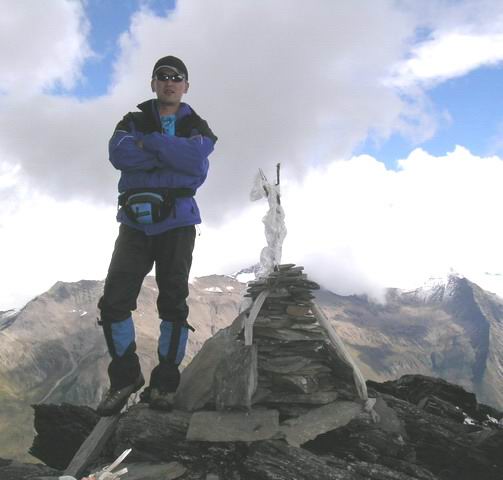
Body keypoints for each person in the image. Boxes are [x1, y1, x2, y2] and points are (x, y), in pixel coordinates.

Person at [96, 55, 217, 416]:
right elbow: (119, 155)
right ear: (153, 83)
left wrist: (147, 145)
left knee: (173, 303)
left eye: (177, 78)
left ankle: (164, 385)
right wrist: (171, 154)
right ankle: (125, 378)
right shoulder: (131, 120)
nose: (169, 82)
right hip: (135, 224)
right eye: (162, 76)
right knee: (114, 302)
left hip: (178, 224)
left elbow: (196, 166)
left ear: (186, 86)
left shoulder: (197, 126)